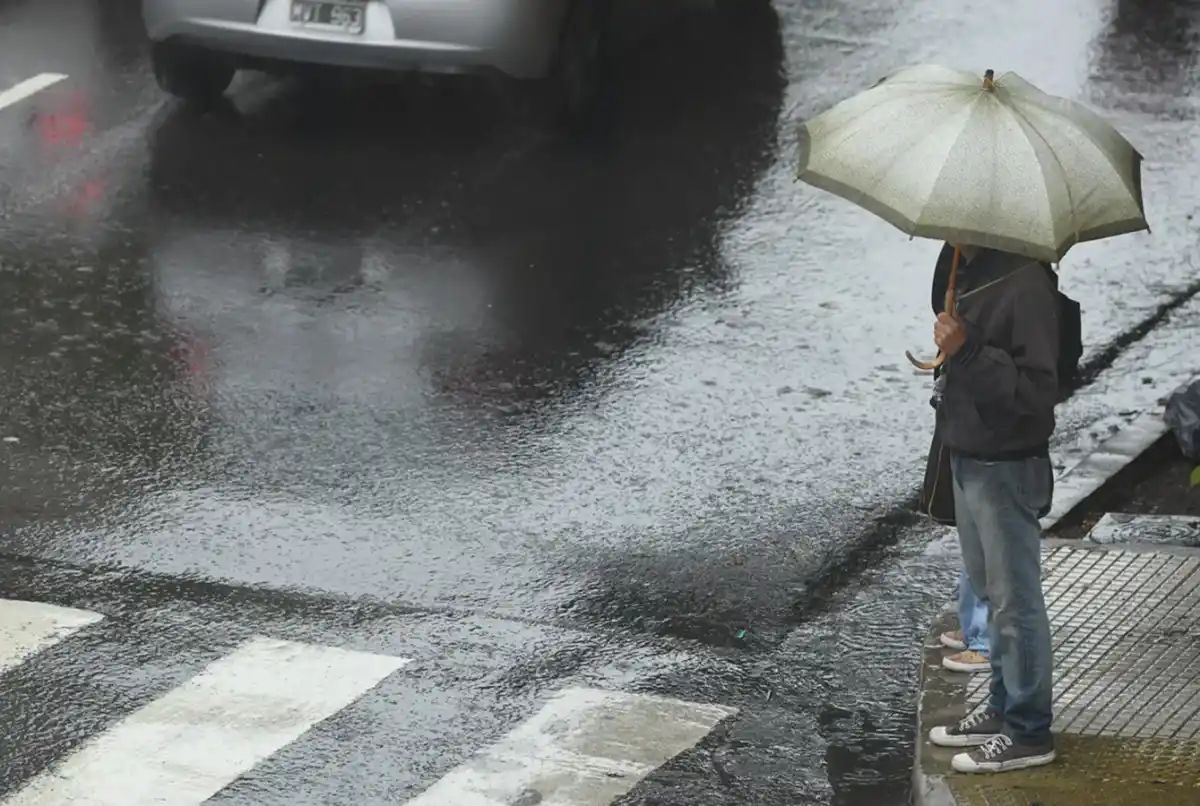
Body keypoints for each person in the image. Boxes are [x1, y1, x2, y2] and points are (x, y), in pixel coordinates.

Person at [925, 243, 1059, 775]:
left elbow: (1036, 396)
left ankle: (1028, 730)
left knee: (1015, 602)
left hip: (1006, 465)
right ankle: (1004, 709)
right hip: (968, 454)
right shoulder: (966, 265)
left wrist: (968, 349)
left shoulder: (1026, 284)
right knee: (991, 593)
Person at [930, 243, 991, 676]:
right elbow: (940, 299)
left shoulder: (1016, 279)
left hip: (992, 431)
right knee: (971, 532)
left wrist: (963, 345)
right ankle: (974, 627)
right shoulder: (962, 256)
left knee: (988, 535)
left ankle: (986, 638)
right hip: (966, 416)